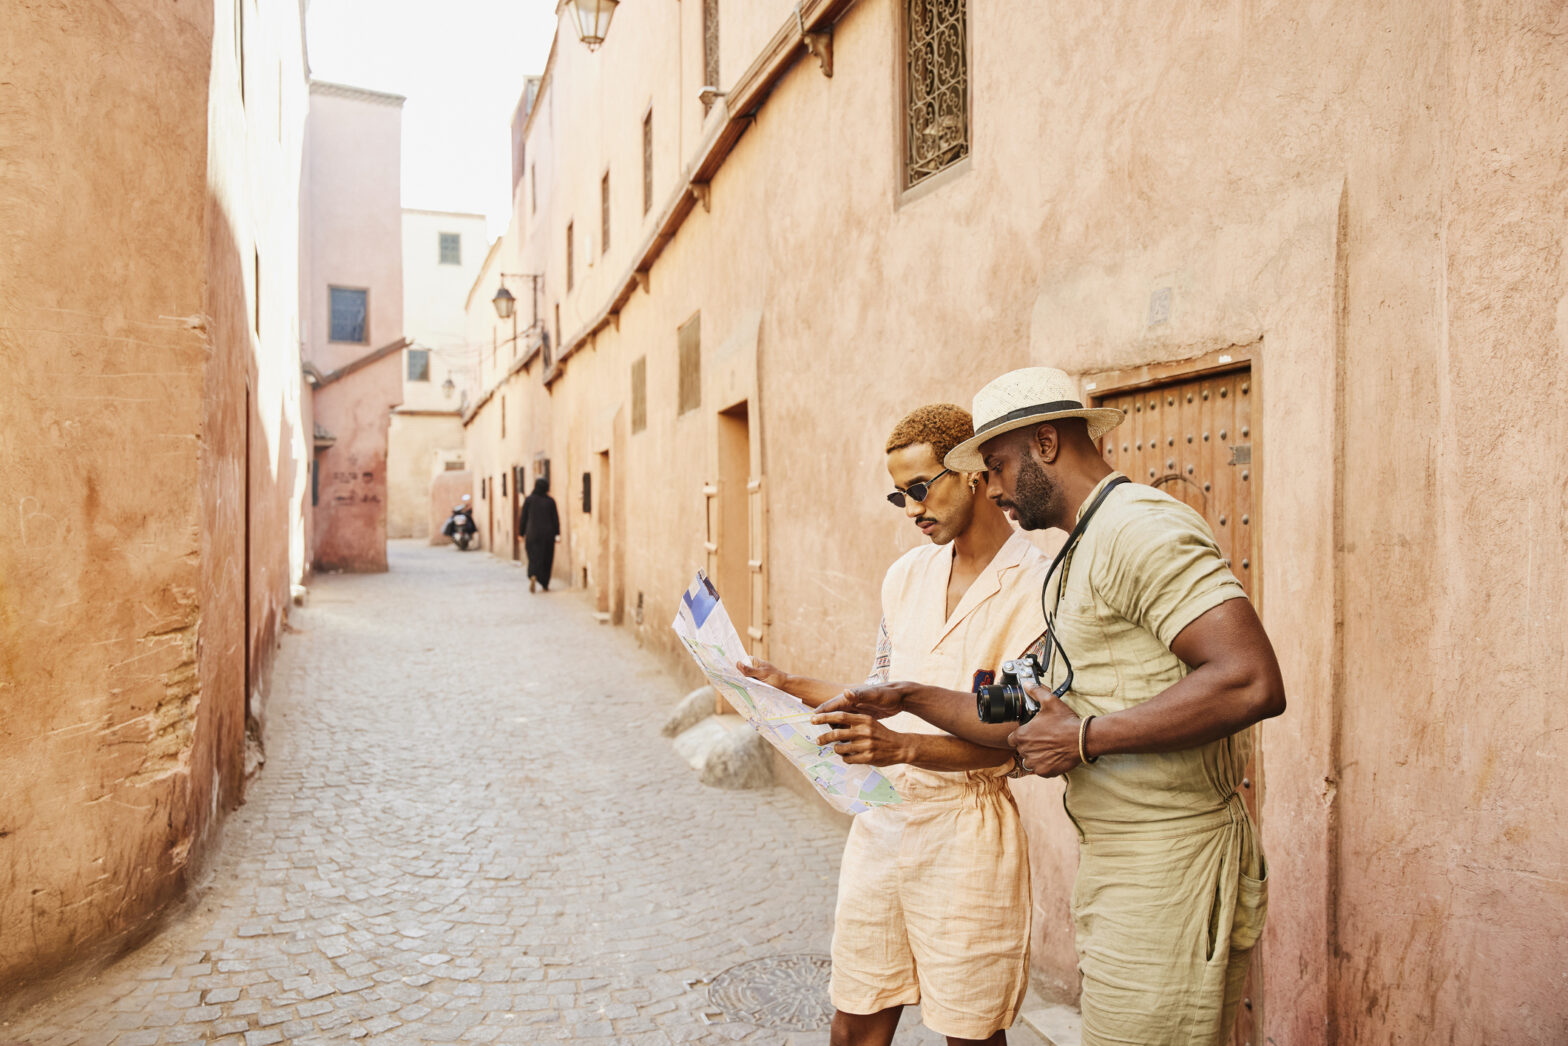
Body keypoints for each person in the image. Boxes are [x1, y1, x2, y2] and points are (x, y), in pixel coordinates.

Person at [817, 367, 1286, 1046]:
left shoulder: (1135, 527)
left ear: (1044, 443)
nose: (994, 486)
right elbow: (1014, 708)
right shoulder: (1078, 555)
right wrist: (907, 694)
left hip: (1169, 858)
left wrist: (1086, 738)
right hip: (1118, 854)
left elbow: (1249, 680)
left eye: (998, 466)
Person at [739, 404, 1047, 1046]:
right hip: (883, 824)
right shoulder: (906, 577)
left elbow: (1014, 734)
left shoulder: (1037, 585)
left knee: (969, 1029)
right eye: (897, 495)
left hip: (967, 832)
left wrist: (903, 744)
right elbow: (882, 694)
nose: (911, 510)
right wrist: (788, 685)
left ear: (970, 473)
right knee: (855, 1017)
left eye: (919, 488)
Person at [518, 477, 559, 592]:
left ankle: (533, 574)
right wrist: (557, 534)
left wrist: (521, 533)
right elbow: (555, 519)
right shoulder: (550, 501)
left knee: (533, 557)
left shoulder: (529, 500)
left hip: (532, 534)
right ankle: (545, 582)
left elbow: (523, 518)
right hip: (548, 535)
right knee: (546, 558)